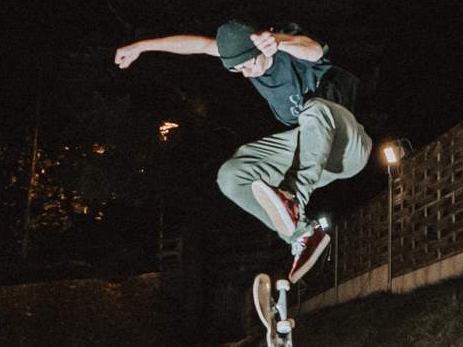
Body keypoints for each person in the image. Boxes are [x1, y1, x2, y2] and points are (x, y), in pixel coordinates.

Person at [114, 19, 370, 283]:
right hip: (312, 153)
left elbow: (313, 49)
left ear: (260, 48)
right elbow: (198, 45)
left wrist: (280, 41)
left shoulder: (282, 47)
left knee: (314, 109)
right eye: (239, 70)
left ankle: (294, 198)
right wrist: (141, 47)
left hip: (347, 142)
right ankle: (302, 235)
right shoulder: (241, 55)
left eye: (249, 64)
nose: (247, 74)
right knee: (230, 175)